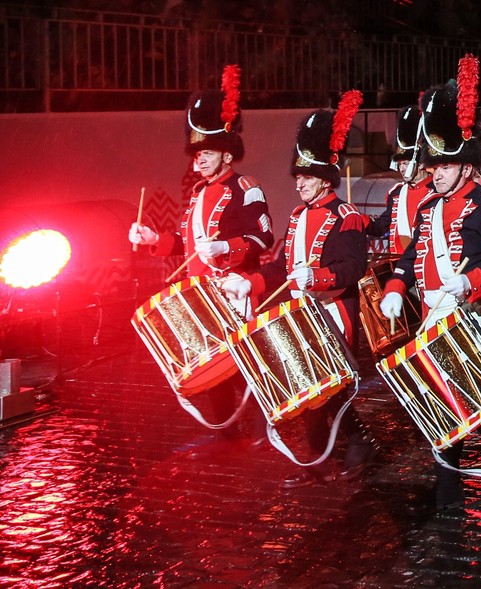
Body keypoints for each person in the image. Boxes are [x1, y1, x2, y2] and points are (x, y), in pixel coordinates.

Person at [379, 57, 481, 509]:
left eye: (444, 165)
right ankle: (457, 483)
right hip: (435, 319)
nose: (434, 173)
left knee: (469, 400)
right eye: (433, 165)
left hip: (473, 317)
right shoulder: (425, 208)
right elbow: (406, 260)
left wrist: (468, 283)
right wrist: (396, 290)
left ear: (465, 165)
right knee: (447, 403)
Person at [234, 92, 376, 487]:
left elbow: (353, 268)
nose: (300, 185)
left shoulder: (345, 216)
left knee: (332, 389)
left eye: (307, 178)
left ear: (325, 178)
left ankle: (355, 445)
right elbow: (281, 266)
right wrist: (251, 282)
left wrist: (317, 277)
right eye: (298, 178)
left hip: (333, 312)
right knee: (310, 386)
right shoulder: (297, 216)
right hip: (303, 313)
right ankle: (315, 460)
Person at [129, 65, 274, 436]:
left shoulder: (245, 186)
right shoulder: (196, 195)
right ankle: (227, 432)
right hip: (201, 291)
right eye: (197, 155)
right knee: (211, 363)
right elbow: (184, 243)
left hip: (233, 288)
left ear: (227, 154)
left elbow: (263, 238)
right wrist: (151, 239)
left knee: (246, 362)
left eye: (208, 153)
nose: (200, 160)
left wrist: (227, 247)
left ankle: (263, 425)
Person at [367, 103, 431, 258]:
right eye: (400, 164)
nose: (402, 169)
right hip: (398, 261)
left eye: (406, 163)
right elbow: (382, 227)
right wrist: (362, 222)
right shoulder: (396, 192)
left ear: (420, 163)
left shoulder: (436, 190)